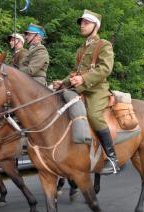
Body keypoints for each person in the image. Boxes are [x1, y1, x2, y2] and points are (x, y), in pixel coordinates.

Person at [53, 9, 120, 175]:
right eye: (81, 23)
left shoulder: (104, 45)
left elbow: (105, 69)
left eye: (86, 23)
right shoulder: (81, 49)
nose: (82, 26)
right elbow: (76, 73)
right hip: (80, 88)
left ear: (95, 26)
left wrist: (83, 79)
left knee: (94, 116)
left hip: (97, 89)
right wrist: (64, 81)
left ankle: (112, 159)